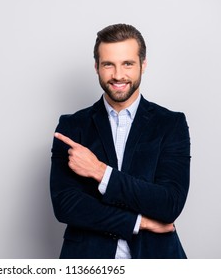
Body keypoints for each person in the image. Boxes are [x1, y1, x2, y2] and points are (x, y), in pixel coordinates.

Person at [50, 23, 191, 259]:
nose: (118, 75)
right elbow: (66, 205)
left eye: (127, 63)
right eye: (108, 64)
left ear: (143, 65)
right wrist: (139, 222)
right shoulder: (71, 126)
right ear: (96, 67)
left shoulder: (171, 124)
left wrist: (100, 172)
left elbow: (169, 204)